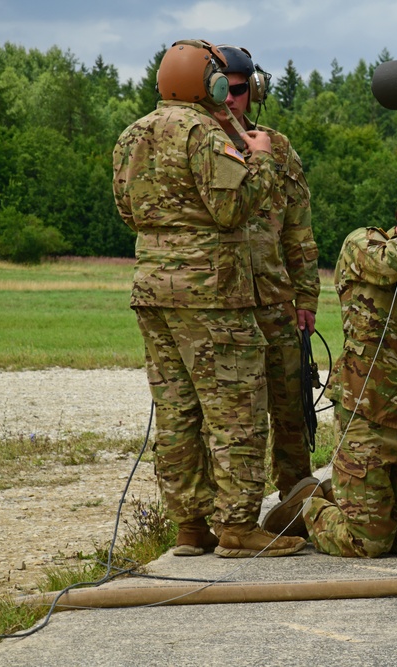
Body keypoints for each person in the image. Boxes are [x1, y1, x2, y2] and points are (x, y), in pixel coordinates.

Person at [111, 39, 306, 558]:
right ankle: (239, 528)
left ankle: (190, 527)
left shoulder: (133, 135)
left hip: (152, 293)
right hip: (214, 295)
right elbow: (233, 209)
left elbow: (128, 213)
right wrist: (260, 163)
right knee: (236, 410)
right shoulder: (202, 133)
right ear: (210, 83)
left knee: (177, 413)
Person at [299, 183, 397, 557]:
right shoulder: (363, 244)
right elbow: (390, 267)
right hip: (365, 413)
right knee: (368, 543)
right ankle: (307, 507)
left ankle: (342, 497)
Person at [207, 45, 324, 537]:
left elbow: (298, 228)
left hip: (275, 298)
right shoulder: (198, 144)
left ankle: (295, 498)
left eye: (238, 90)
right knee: (229, 413)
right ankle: (225, 514)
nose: (230, 99)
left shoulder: (276, 146)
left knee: (291, 401)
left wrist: (306, 297)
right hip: (219, 301)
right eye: (221, 89)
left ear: (253, 90)